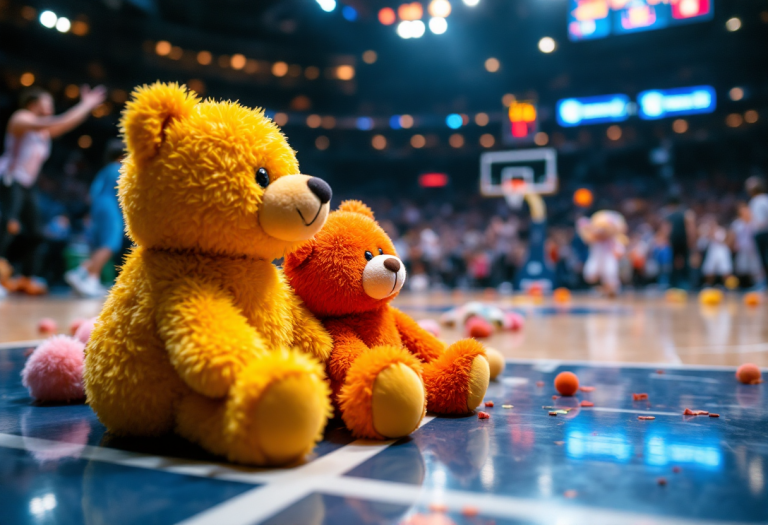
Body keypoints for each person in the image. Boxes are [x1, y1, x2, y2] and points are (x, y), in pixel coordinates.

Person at [0, 84, 106, 296]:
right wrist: (84, 104)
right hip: (10, 179)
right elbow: (58, 121)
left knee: (37, 233)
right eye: (46, 101)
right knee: (7, 227)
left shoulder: (43, 132)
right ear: (33, 104)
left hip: (27, 185)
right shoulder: (21, 118)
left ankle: (25, 277)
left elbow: (65, 124)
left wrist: (86, 106)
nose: (50, 105)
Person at [65, 139, 125, 297]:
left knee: (99, 245)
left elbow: (91, 194)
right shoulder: (119, 169)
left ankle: (92, 279)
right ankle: (81, 272)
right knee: (111, 244)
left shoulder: (104, 171)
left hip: (97, 208)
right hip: (110, 208)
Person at [664, 194, 695, 289]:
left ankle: (675, 285)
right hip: (682, 242)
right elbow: (691, 229)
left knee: (676, 264)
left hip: (677, 242)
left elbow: (666, 230)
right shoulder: (686, 213)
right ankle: (686, 285)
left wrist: (667, 241)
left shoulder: (671, 215)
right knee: (685, 263)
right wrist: (691, 241)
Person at [745, 176, 768, 290]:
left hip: (764, 233)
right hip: (759, 234)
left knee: (765, 258)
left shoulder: (762, 199)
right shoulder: (754, 201)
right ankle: (765, 282)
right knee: (762, 260)